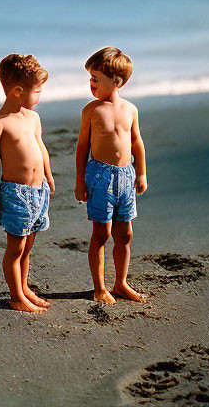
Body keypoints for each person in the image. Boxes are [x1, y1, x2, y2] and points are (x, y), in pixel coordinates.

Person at [0, 54, 56, 313]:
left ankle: (23, 287)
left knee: (28, 246)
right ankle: (16, 296)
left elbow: (41, 147)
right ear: (17, 90)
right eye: (37, 91)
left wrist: (48, 174)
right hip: (16, 193)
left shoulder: (33, 118)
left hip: (39, 192)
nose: (40, 96)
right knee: (15, 247)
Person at [75, 47, 148, 304]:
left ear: (117, 82)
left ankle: (120, 283)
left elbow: (137, 142)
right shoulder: (91, 111)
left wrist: (141, 173)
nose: (91, 84)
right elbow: (82, 147)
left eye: (96, 79)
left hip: (126, 177)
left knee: (125, 234)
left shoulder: (130, 109)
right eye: (90, 78)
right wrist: (80, 181)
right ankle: (99, 287)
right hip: (100, 176)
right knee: (101, 234)